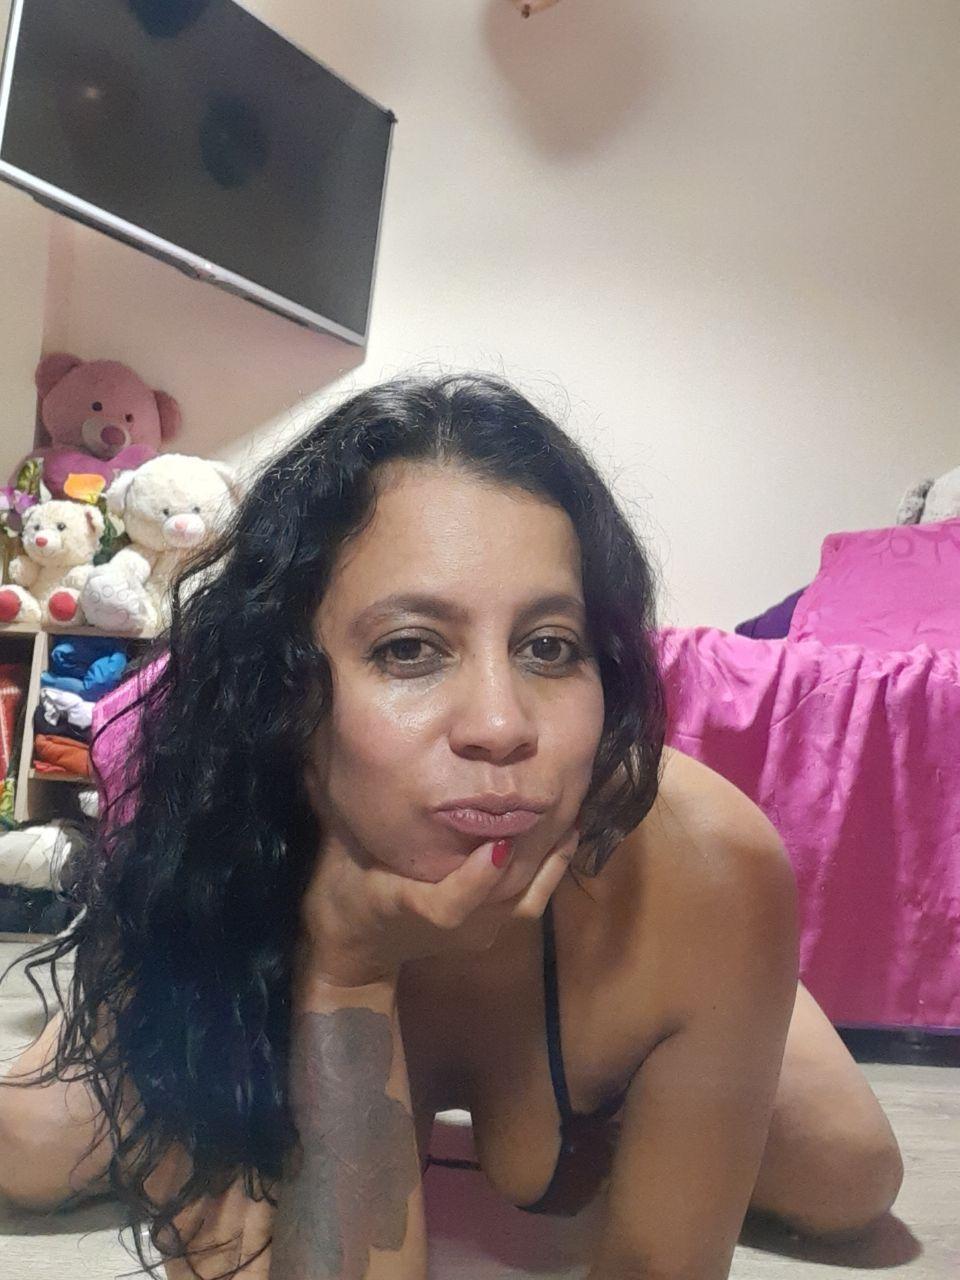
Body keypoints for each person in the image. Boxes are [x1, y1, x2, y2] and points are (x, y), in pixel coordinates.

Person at [0, 374, 903, 1280]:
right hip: (254, 900)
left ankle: (739, 1005)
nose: (502, 725)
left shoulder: (708, 857)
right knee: (29, 1146)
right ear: (284, 687)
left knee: (848, 1176)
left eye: (549, 647)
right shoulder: (206, 850)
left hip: (633, 953)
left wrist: (722, 989)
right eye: (410, 649)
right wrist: (346, 967)